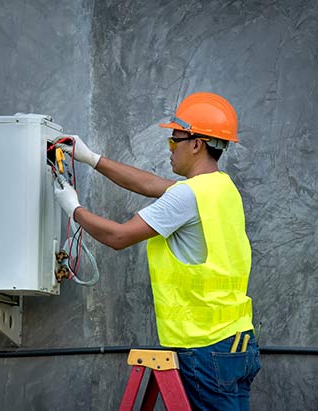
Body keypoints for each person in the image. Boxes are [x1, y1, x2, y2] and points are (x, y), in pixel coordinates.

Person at [54, 92, 261, 410]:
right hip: (237, 343)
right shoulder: (221, 187)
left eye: (174, 141)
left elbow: (119, 237)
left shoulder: (187, 196)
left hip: (203, 347)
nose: (170, 148)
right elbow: (149, 184)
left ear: (197, 144)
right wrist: (91, 158)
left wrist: (73, 208)